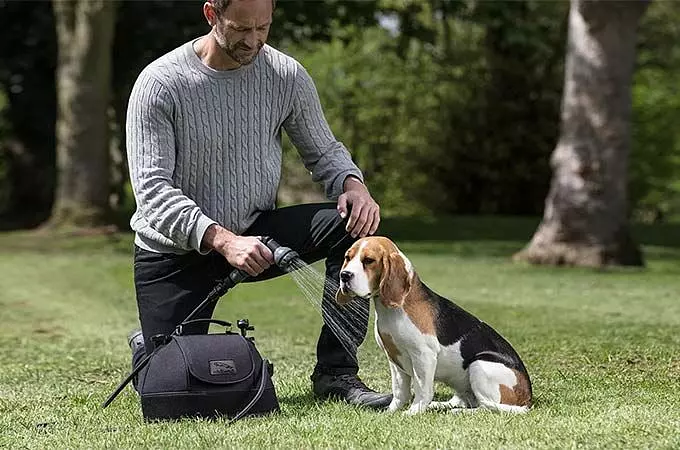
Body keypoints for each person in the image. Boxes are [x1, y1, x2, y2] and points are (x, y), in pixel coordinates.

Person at [124, 0, 391, 409]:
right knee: (170, 389)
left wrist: (353, 185)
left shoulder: (285, 75)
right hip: (176, 253)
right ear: (211, 15)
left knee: (353, 228)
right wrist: (223, 240)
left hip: (256, 232)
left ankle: (337, 373)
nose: (254, 41)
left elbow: (324, 151)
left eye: (263, 28)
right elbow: (153, 192)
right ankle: (150, 348)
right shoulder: (161, 83)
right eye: (241, 29)